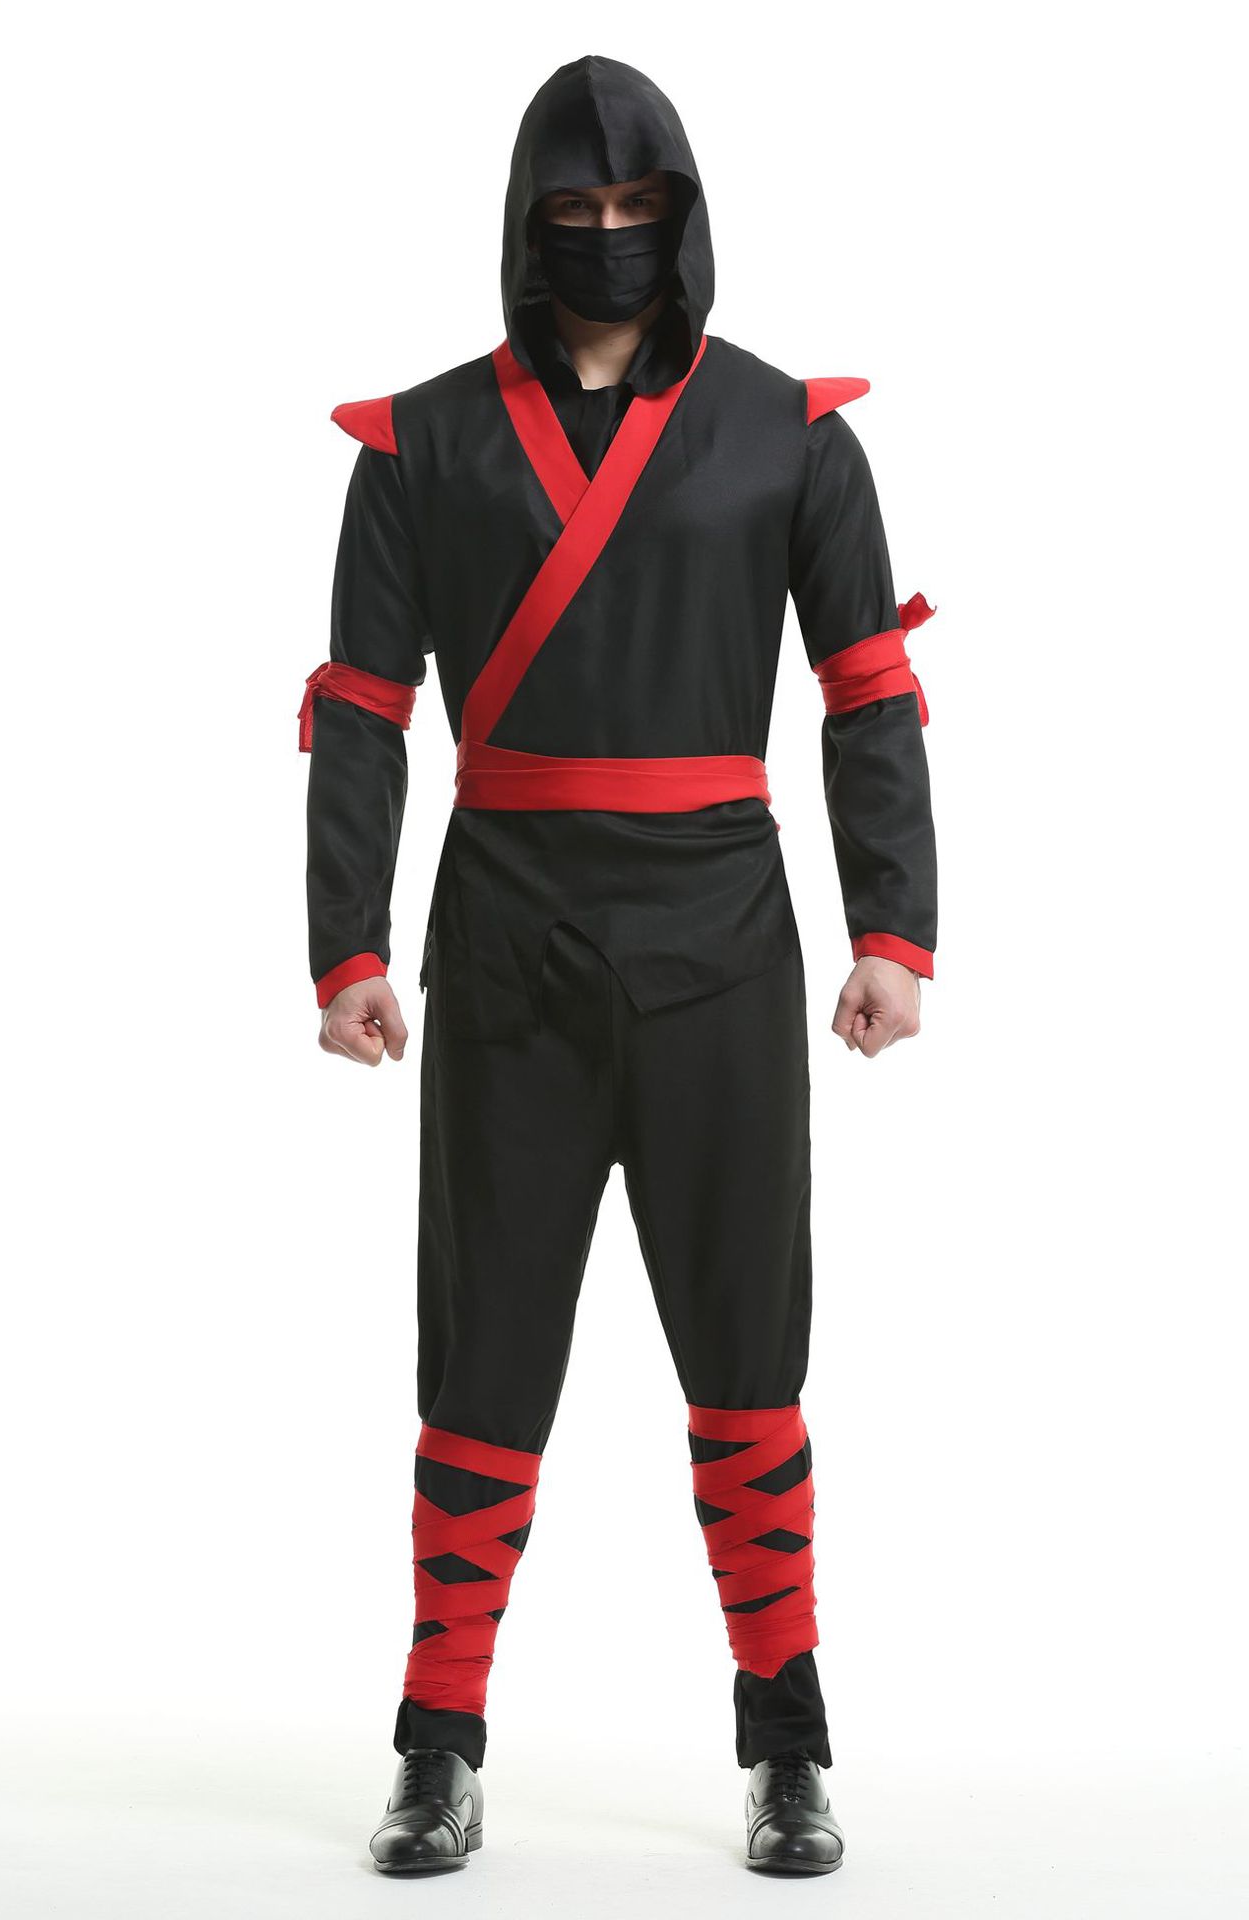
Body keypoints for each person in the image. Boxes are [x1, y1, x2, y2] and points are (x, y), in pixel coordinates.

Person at [300, 52, 937, 1877]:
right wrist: (347, 944)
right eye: (573, 212)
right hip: (507, 938)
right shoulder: (421, 446)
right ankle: (437, 1742)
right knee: (481, 1357)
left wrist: (893, 928)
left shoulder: (787, 432)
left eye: (634, 210)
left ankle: (788, 1746)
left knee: (748, 1354)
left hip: (722, 938)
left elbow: (868, 691)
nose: (605, 236)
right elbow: (363, 712)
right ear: (526, 224)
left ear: (683, 219)